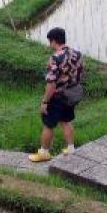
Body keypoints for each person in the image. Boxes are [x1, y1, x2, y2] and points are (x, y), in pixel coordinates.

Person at [29, 28, 84, 163]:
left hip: (57, 97)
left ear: (54, 41)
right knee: (66, 121)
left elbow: (51, 84)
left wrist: (45, 101)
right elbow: (80, 74)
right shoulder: (77, 54)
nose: (49, 45)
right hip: (70, 95)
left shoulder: (55, 58)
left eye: (50, 42)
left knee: (48, 125)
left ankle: (44, 153)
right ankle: (71, 149)